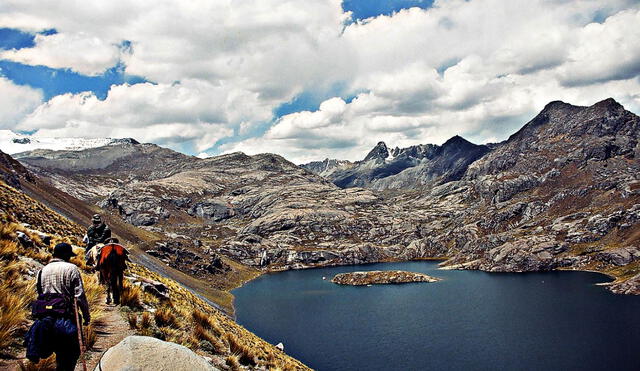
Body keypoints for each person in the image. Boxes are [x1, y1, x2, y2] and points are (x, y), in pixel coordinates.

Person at [25, 242, 91, 371]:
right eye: (69, 256)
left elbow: (39, 293)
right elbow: (79, 295)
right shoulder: (71, 268)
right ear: (65, 255)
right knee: (69, 355)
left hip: (45, 318)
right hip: (65, 317)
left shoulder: (42, 270)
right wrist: (86, 316)